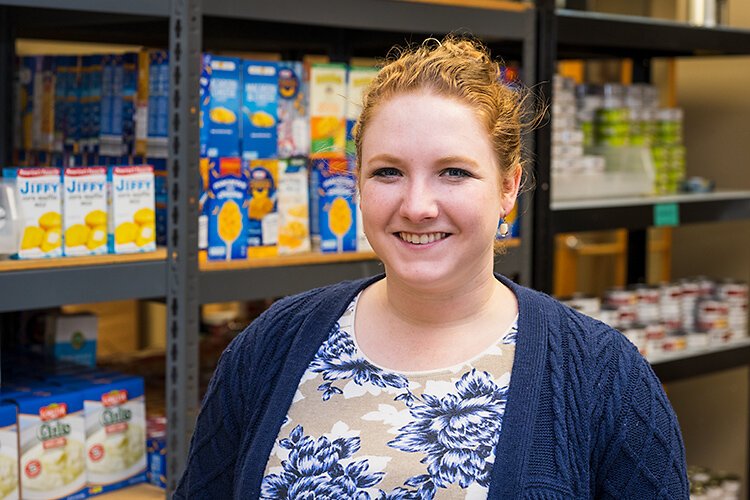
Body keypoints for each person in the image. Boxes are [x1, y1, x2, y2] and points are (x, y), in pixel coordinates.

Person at [175, 36, 688, 499]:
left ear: (508, 187)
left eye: (454, 172)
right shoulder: (271, 345)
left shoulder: (602, 374)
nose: (417, 205)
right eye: (389, 172)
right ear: (357, 182)